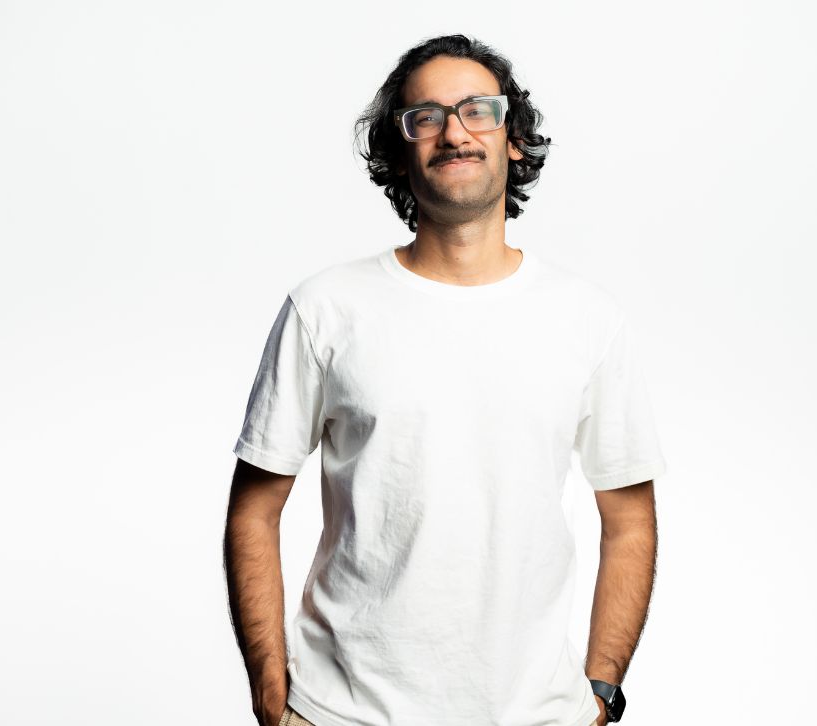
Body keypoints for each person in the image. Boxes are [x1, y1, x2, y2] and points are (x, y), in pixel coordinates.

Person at [223, 33, 666, 726]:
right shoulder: (325, 309)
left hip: (535, 716)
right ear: (400, 150)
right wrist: (270, 693)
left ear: (513, 139)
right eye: (425, 117)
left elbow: (630, 519)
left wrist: (602, 691)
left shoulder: (589, 319)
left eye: (477, 110)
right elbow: (255, 508)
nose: (454, 133)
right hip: (343, 712)